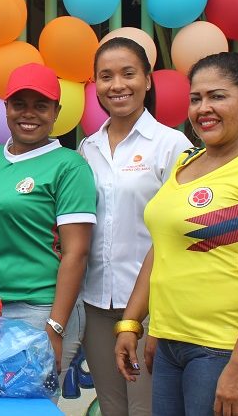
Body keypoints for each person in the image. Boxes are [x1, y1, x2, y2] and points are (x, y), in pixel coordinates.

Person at [115, 52, 238, 416]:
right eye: (196, 98)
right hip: (170, 346)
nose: (203, 108)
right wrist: (133, 322)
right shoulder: (186, 163)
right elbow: (163, 249)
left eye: (218, 96)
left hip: (226, 350)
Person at [78, 38, 191, 416]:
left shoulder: (171, 144)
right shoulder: (87, 148)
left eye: (128, 74)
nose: (117, 85)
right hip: (97, 302)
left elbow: (183, 228)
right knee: (111, 407)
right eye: (106, 77)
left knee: (147, 408)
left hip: (152, 307)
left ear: (147, 80)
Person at [0, 63, 95, 380]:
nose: (29, 114)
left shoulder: (70, 166)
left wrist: (55, 327)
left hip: (41, 308)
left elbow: (76, 254)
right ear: (6, 107)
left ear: (56, 111)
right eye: (19, 104)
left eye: (41, 105)